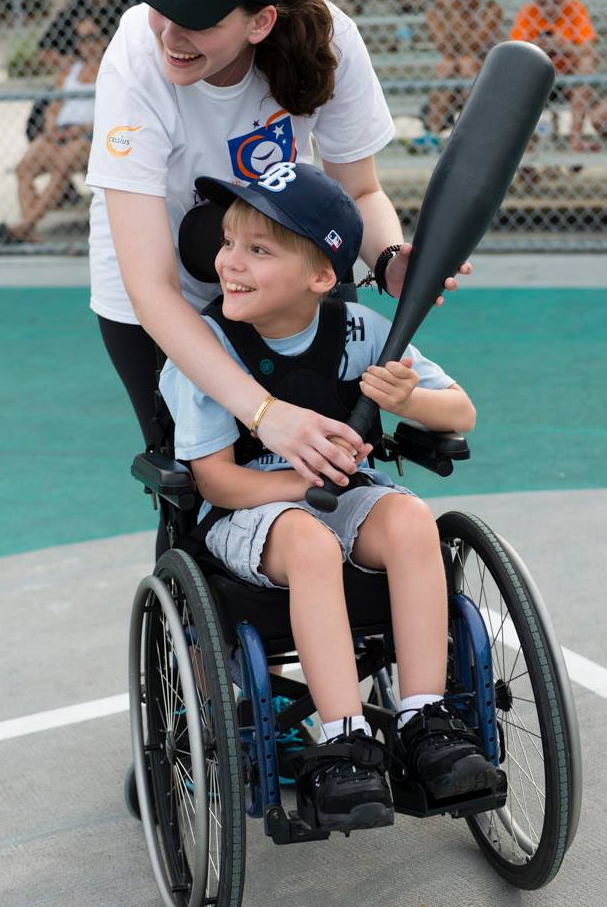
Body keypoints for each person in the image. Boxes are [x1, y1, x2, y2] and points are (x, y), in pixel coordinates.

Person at [84, 0, 471, 560]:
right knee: (197, 477)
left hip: (285, 265)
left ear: (259, 21)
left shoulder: (328, 38)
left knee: (336, 450)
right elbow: (151, 290)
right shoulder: (136, 58)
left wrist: (385, 256)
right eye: (161, 4)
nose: (170, 33)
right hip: (156, 286)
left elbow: (361, 189)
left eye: (199, 18)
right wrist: (265, 414)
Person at [159, 161, 502, 833]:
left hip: (342, 497)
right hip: (247, 511)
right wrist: (304, 482)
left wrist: (410, 400)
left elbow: (460, 414)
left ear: (321, 277)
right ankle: (344, 741)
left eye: (258, 249)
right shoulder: (204, 348)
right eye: (228, 244)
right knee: (309, 541)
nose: (229, 262)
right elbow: (217, 482)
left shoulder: (361, 332)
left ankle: (424, 719)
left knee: (408, 518)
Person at [0, 17, 108, 245]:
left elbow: (112, 115)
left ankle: (23, 226)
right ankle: (28, 230)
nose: (87, 44)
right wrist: (50, 130)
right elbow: (54, 106)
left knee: (62, 165)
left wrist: (80, 130)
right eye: (82, 39)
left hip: (88, 135)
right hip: (59, 132)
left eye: (92, 38)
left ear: (104, 39)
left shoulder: (111, 69)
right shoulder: (70, 71)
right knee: (23, 168)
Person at [26, 0, 130, 145]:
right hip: (83, 73)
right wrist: (69, 64)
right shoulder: (73, 11)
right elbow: (44, 51)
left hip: (120, 74)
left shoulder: (128, 6)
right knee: (42, 105)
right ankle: (51, 147)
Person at [510, 0, 602, 152]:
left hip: (570, 78)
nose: (550, 8)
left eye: (557, 2)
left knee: (586, 63)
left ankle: (575, 140)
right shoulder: (528, 13)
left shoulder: (575, 9)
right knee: (520, 76)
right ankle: (526, 152)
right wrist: (536, 47)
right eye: (543, 3)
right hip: (538, 80)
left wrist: (564, 46)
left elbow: (590, 52)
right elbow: (514, 55)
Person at [417, 0, 502, 149]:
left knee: (466, 62)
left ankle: (476, 131)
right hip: (452, 77)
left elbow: (472, 45)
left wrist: (453, 11)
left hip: (485, 74)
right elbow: (444, 48)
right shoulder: (435, 13)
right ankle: (433, 134)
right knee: (448, 64)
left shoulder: (490, 9)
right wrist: (451, 9)